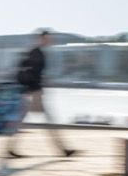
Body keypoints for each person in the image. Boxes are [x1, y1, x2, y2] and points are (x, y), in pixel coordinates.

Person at [7, 30, 77, 158]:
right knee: (48, 121)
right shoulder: (37, 53)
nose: (50, 41)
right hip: (34, 93)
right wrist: (38, 85)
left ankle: (11, 148)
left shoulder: (32, 51)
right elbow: (33, 73)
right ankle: (63, 149)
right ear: (41, 38)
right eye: (48, 38)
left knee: (23, 121)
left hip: (29, 92)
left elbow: (22, 68)